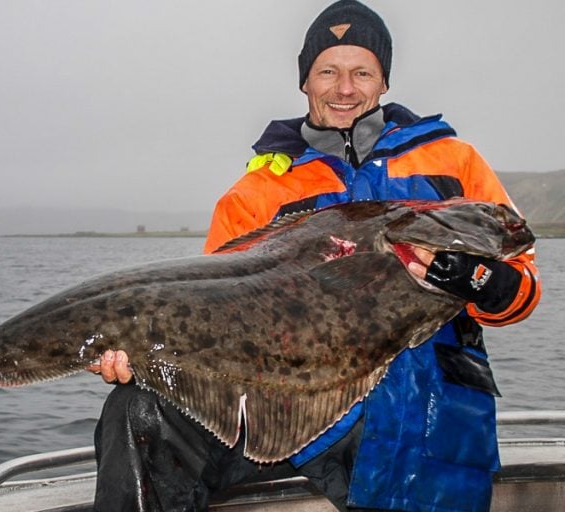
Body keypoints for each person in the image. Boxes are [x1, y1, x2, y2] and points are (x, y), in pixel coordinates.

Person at [90, 1, 541, 510]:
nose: (345, 89)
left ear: (383, 82)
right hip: (286, 401)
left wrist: (482, 281)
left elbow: (521, 288)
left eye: (361, 72)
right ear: (305, 80)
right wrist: (146, 355)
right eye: (328, 71)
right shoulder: (254, 193)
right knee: (138, 411)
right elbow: (210, 324)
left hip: (424, 403)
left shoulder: (454, 164)